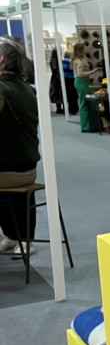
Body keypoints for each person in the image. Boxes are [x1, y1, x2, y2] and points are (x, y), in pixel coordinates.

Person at [0, 36, 40, 256]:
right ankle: (18, 237)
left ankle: (16, 236)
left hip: (7, 169)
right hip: (28, 167)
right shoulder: (26, 89)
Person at [71, 42, 99, 133]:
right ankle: (85, 127)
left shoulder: (83, 59)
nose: (87, 48)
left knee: (91, 104)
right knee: (84, 104)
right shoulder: (78, 61)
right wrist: (93, 71)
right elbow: (80, 74)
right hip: (81, 82)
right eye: (85, 47)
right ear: (81, 50)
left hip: (85, 82)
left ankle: (94, 125)